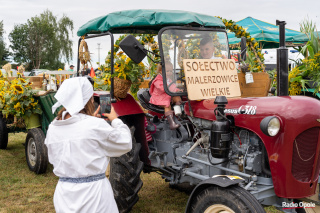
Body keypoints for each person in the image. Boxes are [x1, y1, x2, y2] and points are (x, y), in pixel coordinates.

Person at [44, 77, 132, 213]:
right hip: (94, 196)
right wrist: (115, 120)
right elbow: (125, 142)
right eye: (91, 98)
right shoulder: (95, 126)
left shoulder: (53, 128)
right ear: (87, 99)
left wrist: (91, 122)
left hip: (64, 194)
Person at [149, 61, 182, 130]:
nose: (169, 73)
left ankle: (179, 112)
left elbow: (173, 86)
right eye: (167, 71)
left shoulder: (168, 79)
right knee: (167, 105)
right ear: (161, 71)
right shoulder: (157, 80)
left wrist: (177, 90)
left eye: (170, 71)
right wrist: (171, 89)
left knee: (177, 96)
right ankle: (171, 123)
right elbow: (162, 88)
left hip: (167, 96)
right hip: (159, 98)